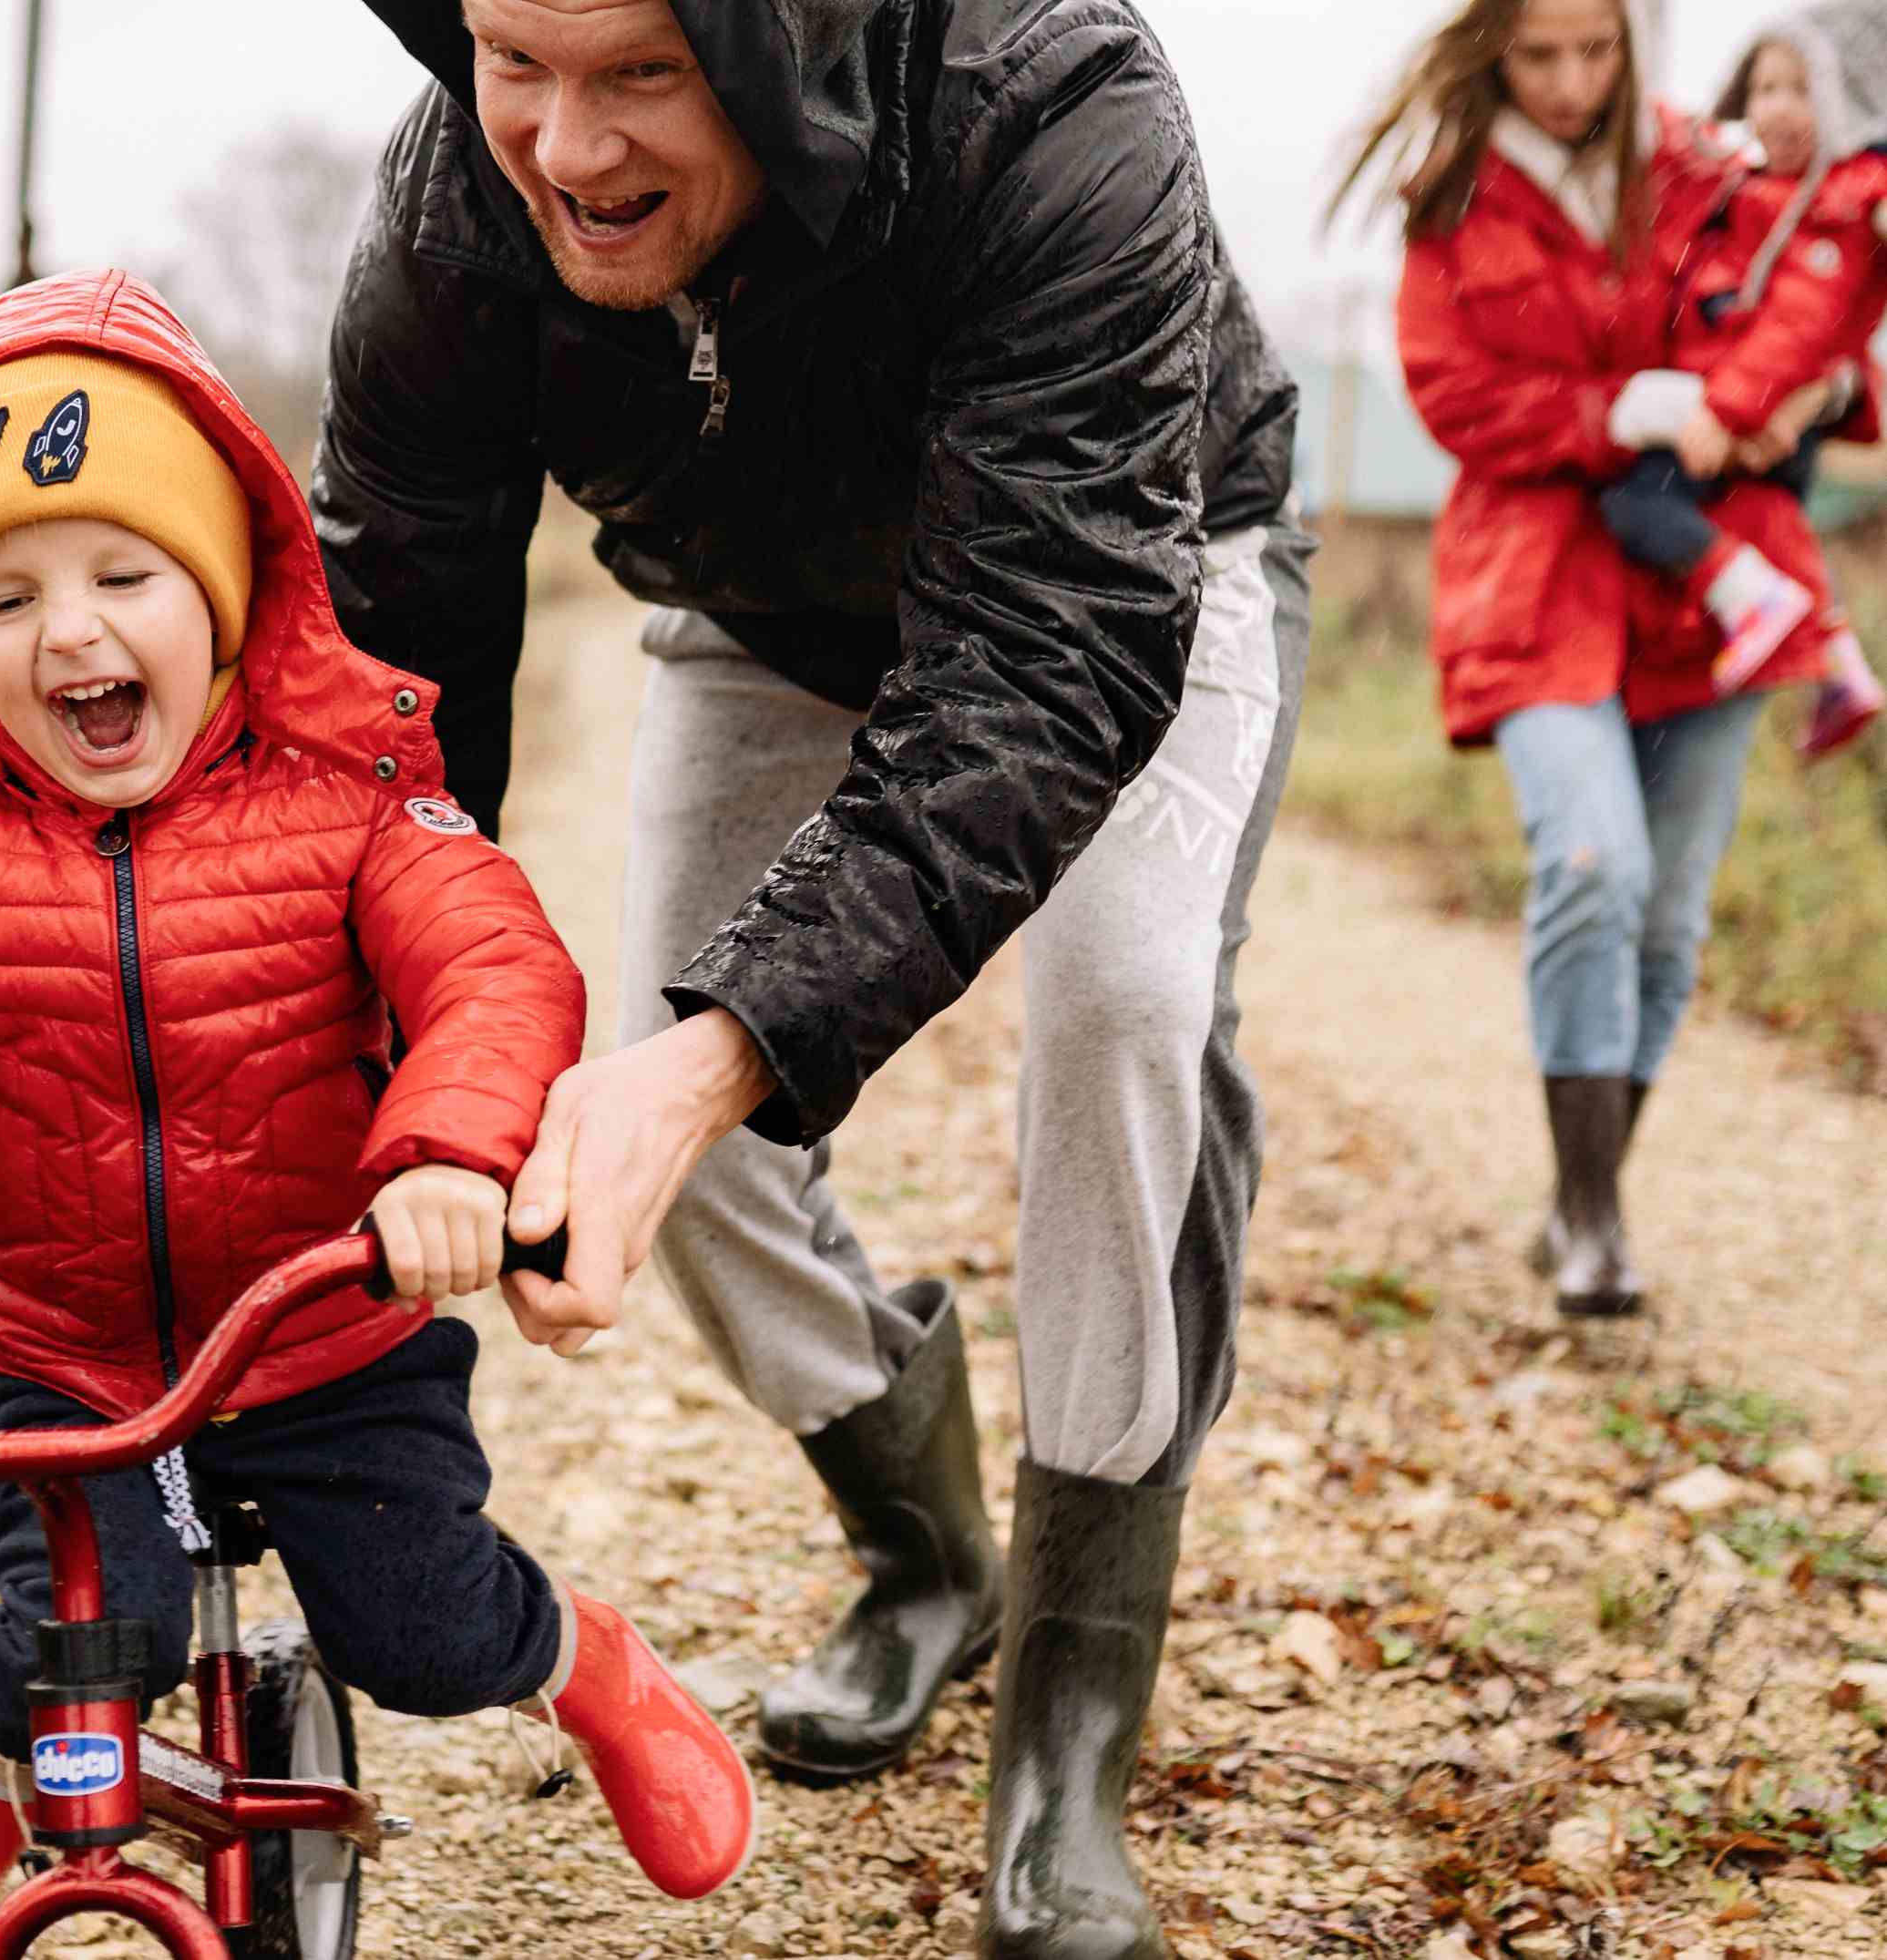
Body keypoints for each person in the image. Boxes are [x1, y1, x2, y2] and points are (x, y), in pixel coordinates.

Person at [0, 268, 757, 1954]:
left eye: (126, 575)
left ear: (225, 592)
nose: (70, 635)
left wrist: (445, 1158)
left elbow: (495, 966)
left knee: (415, 1623)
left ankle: (592, 1667)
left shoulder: (347, 796)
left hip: (324, 1323)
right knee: (75, 1628)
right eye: (4, 600)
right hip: (56, 1345)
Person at [314, 3, 1308, 1954]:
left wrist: (723, 1047)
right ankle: (929, 1555)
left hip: (1131, 579)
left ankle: (1073, 1711)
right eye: (514, 56)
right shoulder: (454, 204)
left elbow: (1042, 658)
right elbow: (389, 698)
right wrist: (387, 1057)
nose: (565, 147)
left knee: (1121, 1011)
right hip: (758, 613)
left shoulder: (1055, 102)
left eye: (636, 74)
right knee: (654, 1098)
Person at [1346, 0, 1828, 1322]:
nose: (1568, 82)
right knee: (1589, 861)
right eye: (1537, 54)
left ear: (1631, 42)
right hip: (1533, 576)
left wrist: (1813, 378)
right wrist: (1607, 409)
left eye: (1593, 51)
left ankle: (1578, 1195)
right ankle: (1596, 1222)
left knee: (1668, 913)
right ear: (1491, 49)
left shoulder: (1704, 167)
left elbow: (1812, 302)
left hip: (1710, 583)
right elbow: (1449, 390)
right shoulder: (1453, 196)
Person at [1600, 7, 1887, 757]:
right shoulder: (1750, 191)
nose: (1778, 107)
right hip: (1747, 405)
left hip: (1740, 409)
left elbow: (1796, 327)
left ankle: (1749, 599)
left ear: (1845, 102)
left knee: (1636, 505)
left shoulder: (1836, 204)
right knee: (1772, 524)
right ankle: (1838, 665)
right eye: (1764, 87)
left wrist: (1726, 412)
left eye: (1802, 88)